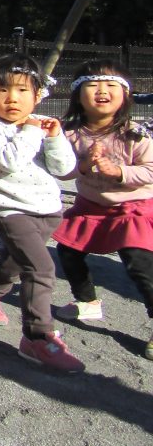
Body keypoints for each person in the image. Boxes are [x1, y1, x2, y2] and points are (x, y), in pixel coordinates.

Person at [0, 54, 84, 372]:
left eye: (22, 90)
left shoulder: (42, 126)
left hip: (47, 210)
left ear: (37, 95)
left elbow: (65, 169)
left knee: (16, 260)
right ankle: (37, 336)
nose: (12, 98)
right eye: (3, 90)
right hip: (10, 210)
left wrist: (55, 138)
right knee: (40, 267)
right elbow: (9, 160)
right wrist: (32, 132)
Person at [52, 60, 153, 361]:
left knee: (138, 263)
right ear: (77, 94)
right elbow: (63, 170)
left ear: (125, 95)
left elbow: (151, 169)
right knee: (68, 250)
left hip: (132, 208)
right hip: (90, 207)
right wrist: (84, 164)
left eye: (111, 85)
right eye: (93, 85)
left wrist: (119, 171)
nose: (102, 91)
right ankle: (87, 302)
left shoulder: (135, 133)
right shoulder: (70, 134)